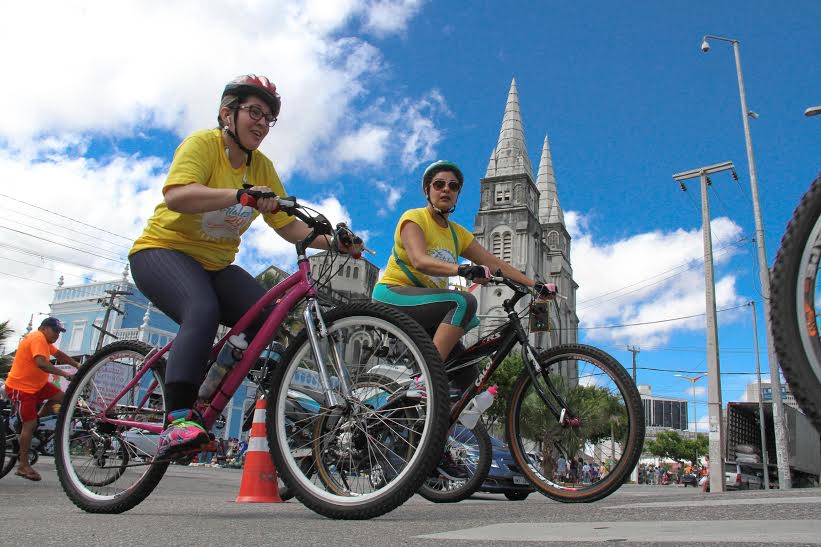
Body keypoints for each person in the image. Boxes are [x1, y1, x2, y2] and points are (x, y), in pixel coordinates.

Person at [128, 74, 362, 460]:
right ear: (227, 114)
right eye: (254, 112)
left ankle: (205, 393)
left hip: (216, 265)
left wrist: (335, 244)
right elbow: (177, 196)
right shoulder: (203, 144)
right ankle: (178, 418)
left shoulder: (262, 167)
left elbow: (289, 225)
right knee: (201, 310)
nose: (261, 124)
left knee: (265, 319)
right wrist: (240, 194)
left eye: (268, 118)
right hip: (162, 251)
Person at [371, 160, 556, 391]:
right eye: (438, 184)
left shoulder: (458, 234)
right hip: (392, 295)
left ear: (458, 194)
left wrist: (535, 285)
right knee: (463, 300)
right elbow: (420, 260)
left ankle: (450, 422)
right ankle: (424, 382)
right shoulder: (414, 218)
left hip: (427, 310)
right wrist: (462, 269)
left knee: (467, 377)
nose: (446, 189)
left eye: (453, 186)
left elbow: (494, 262)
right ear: (427, 190)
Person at [4, 317, 80, 481]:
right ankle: (23, 466)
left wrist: (77, 365)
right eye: (55, 331)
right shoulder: (37, 338)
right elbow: (41, 364)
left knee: (62, 397)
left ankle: (36, 418)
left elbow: (59, 354)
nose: (57, 335)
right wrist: (66, 374)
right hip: (21, 387)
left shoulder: (45, 342)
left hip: (37, 385)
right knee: (29, 425)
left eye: (59, 332)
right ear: (44, 328)